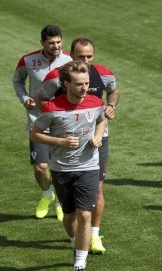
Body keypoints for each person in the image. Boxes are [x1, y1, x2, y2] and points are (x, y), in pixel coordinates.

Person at [39, 38, 119, 254]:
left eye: (89, 56)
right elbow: (42, 100)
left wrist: (111, 105)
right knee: (70, 208)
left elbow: (113, 91)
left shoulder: (103, 73)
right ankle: (77, 235)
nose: (86, 60)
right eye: (81, 56)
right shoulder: (56, 77)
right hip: (66, 144)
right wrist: (58, 123)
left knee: (98, 190)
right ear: (71, 56)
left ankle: (94, 235)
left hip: (97, 140)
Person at [30, 60, 107, 271]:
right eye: (79, 84)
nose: (84, 88)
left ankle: (80, 262)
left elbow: (101, 120)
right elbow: (35, 133)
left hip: (89, 166)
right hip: (62, 169)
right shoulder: (52, 109)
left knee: (84, 214)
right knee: (70, 215)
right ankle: (75, 244)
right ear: (66, 84)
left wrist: (98, 136)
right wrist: (60, 142)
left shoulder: (95, 102)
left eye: (86, 83)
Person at [12, 25, 72, 221]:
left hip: (64, 121)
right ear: (42, 43)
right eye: (51, 43)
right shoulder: (28, 60)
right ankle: (47, 195)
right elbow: (17, 81)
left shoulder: (71, 60)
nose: (56, 46)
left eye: (58, 42)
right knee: (41, 167)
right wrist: (24, 98)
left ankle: (61, 201)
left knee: (62, 166)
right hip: (37, 120)